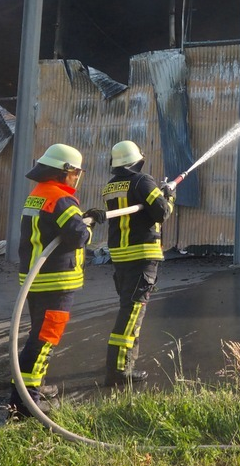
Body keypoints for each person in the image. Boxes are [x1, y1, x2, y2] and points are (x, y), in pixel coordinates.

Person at [8, 143, 95, 419]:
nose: (77, 177)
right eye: (76, 172)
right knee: (43, 340)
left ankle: (32, 388)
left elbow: (58, 228)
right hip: (56, 283)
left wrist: (85, 218)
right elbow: (78, 235)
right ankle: (26, 403)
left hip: (36, 281)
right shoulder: (60, 199)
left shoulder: (38, 195)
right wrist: (90, 224)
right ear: (65, 171)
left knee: (38, 336)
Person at [86, 140, 174, 387]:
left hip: (121, 257)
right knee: (132, 314)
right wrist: (169, 196)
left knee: (128, 310)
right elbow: (162, 213)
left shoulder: (111, 186)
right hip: (142, 256)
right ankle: (119, 371)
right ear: (137, 161)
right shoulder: (143, 180)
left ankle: (118, 365)